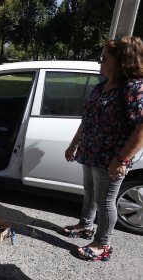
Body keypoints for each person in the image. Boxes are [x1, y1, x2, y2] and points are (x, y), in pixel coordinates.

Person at [63, 36, 143, 261]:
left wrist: (122, 160)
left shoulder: (133, 87)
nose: (100, 61)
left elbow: (141, 127)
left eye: (104, 58)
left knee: (106, 202)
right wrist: (73, 144)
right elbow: (87, 119)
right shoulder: (102, 86)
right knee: (89, 194)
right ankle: (85, 226)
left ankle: (102, 243)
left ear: (121, 61)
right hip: (90, 153)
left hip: (110, 159)